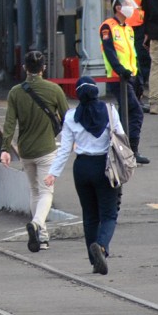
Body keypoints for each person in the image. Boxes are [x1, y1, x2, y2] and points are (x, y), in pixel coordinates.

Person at [43, 77, 123, 276]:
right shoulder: (110, 111)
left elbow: (64, 149)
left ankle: (93, 259)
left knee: (89, 216)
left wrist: (53, 173)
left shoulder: (71, 116)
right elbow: (121, 137)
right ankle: (102, 248)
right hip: (105, 167)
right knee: (109, 214)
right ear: (96, 92)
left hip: (82, 168)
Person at [0, 50, 69, 252]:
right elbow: (67, 119)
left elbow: (10, 123)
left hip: (26, 151)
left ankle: (42, 237)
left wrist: (5, 149)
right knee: (46, 192)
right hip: (46, 150)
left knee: (35, 192)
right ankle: (37, 223)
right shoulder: (54, 90)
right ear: (44, 68)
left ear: (24, 68)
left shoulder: (15, 92)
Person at [101, 0, 148, 164]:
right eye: (127, 4)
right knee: (135, 111)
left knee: (124, 115)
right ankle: (131, 151)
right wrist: (120, 70)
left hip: (131, 77)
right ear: (118, 7)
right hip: (118, 78)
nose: (130, 7)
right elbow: (109, 52)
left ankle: (120, 150)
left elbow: (133, 55)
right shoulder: (108, 26)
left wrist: (140, 79)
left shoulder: (128, 28)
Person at [124, 0, 152, 94]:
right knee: (141, 55)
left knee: (142, 54)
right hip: (135, 22)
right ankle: (138, 85)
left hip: (138, 21)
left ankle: (139, 85)